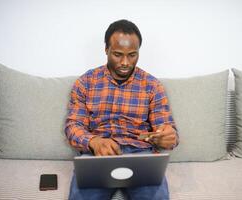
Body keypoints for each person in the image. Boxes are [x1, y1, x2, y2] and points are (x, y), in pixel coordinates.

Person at [65, 19, 179, 200]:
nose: (125, 62)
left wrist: (168, 136)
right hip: (98, 155)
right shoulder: (86, 82)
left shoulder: (152, 86)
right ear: (106, 50)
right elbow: (73, 126)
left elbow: (167, 129)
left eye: (132, 55)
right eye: (118, 54)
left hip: (141, 155)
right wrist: (94, 142)